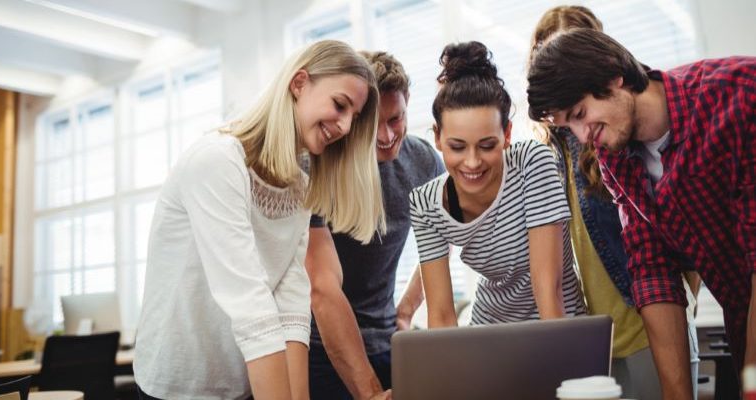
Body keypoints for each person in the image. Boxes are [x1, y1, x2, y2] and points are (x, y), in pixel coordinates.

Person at [133, 40, 386, 400]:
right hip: (178, 383)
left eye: (354, 117)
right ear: (299, 83)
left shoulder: (300, 184)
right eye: (340, 105)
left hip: (241, 382)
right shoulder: (217, 162)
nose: (345, 126)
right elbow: (251, 305)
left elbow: (291, 303)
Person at [527, 29, 756, 399]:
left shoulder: (739, 95)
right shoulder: (614, 159)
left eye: (580, 114)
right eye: (567, 125)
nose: (582, 136)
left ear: (613, 75)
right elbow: (652, 272)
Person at [409, 41, 586, 330]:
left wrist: (559, 360)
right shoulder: (426, 204)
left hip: (558, 326)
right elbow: (441, 315)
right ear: (438, 138)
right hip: (489, 331)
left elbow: (548, 288)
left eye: (487, 145)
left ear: (506, 134)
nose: (472, 162)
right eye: (457, 147)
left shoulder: (532, 162)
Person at [306, 51, 445, 400]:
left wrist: (407, 309)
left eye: (395, 119)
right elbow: (321, 289)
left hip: (386, 340)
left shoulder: (424, 160)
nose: (385, 135)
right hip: (319, 348)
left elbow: (445, 235)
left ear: (408, 103)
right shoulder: (318, 166)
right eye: (373, 125)